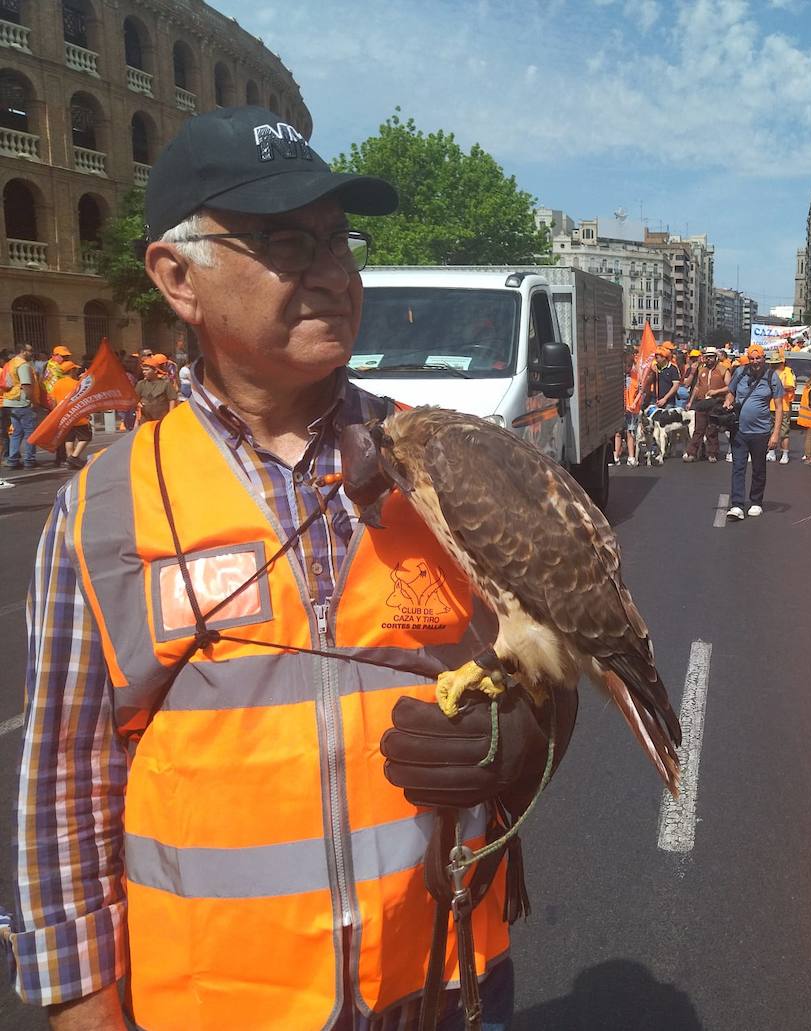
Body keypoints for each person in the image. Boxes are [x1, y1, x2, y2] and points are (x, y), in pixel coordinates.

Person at [6, 105, 550, 1030]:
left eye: (341, 243)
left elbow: (545, 663)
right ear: (178, 276)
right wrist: (83, 999)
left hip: (441, 976)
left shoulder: (449, 457)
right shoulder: (103, 508)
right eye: (286, 244)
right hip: (221, 1003)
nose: (334, 275)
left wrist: (529, 734)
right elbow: (64, 778)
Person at [722, 343, 783, 520]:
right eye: (752, 358)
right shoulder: (740, 372)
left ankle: (756, 502)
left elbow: (779, 407)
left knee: (758, 468)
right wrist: (728, 402)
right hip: (739, 429)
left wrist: (776, 433)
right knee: (738, 467)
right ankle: (737, 505)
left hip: (761, 431)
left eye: (758, 358)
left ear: (764, 358)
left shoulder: (772, 377)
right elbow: (731, 392)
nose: (755, 362)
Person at [47, 360, 94, 469]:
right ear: (71, 370)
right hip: (77, 416)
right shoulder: (76, 384)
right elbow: (82, 400)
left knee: (69, 438)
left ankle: (70, 460)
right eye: (75, 369)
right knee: (86, 437)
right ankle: (74, 456)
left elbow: (53, 400)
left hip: (64, 416)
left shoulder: (57, 384)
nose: (77, 371)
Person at [686, 346, 729, 462]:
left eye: (711, 357)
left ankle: (712, 453)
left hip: (716, 402)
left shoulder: (723, 369)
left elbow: (730, 386)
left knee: (712, 429)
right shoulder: (702, 370)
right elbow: (697, 387)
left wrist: (717, 392)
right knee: (698, 429)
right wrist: (690, 402)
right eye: (707, 357)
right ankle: (692, 453)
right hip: (701, 402)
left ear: (716, 358)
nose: (709, 359)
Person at [2, 341, 39, 469]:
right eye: (29, 351)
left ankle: (13, 460)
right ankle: (29, 460)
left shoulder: (10, 363)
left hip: (10, 401)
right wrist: (32, 401)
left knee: (17, 432)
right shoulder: (22, 365)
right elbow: (26, 385)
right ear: (23, 351)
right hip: (22, 402)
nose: (31, 353)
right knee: (30, 432)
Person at [765, 349, 795, 463]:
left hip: (783, 407)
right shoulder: (769, 372)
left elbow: (791, 387)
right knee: (770, 430)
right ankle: (771, 452)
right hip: (769, 406)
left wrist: (779, 386)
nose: (774, 365)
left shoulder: (788, 372)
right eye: (773, 363)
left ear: (782, 362)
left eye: (776, 363)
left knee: (783, 432)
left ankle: (785, 453)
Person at [134, 353, 182, 423]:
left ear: (155, 371)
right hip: (145, 420)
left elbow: (172, 399)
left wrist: (170, 416)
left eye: (147, 370)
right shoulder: (141, 384)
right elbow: (135, 399)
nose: (144, 372)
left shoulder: (165, 383)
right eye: (143, 370)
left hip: (161, 418)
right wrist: (137, 405)